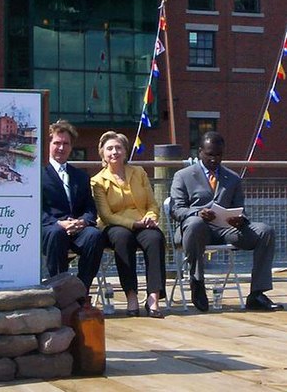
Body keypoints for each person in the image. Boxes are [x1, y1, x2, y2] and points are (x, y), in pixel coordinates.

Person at [170, 130, 283, 312]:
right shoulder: (183, 176)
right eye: (210, 155)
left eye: (218, 155)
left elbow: (241, 208)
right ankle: (197, 283)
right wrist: (198, 213)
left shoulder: (232, 178)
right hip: (196, 230)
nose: (214, 159)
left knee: (265, 231)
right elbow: (176, 209)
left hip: (226, 229)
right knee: (196, 224)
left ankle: (257, 293)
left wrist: (240, 219)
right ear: (200, 152)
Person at [91, 131, 166, 318]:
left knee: (156, 238)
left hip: (142, 221)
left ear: (125, 151)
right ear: (102, 153)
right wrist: (134, 224)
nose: (114, 152)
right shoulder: (97, 181)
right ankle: (131, 295)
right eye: (109, 148)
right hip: (114, 225)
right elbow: (106, 215)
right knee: (122, 238)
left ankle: (153, 297)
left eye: (118, 148)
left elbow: (152, 203)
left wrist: (150, 217)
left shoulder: (139, 172)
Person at [42, 120, 106, 293]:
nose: (61, 148)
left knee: (94, 235)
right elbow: (35, 209)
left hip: (77, 229)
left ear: (71, 147)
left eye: (66, 144)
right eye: (57, 143)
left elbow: (90, 209)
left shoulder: (80, 176)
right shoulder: (39, 173)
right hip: (49, 228)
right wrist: (59, 223)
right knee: (57, 233)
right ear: (48, 144)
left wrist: (83, 222)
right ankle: (59, 290)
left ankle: (81, 290)